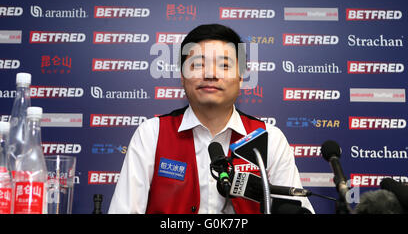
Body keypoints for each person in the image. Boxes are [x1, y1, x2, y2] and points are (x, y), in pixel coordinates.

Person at [108, 24, 314, 214]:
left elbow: (296, 209)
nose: (210, 74)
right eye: (197, 65)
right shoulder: (151, 133)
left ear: (241, 77)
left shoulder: (269, 138)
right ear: (181, 75)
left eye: (224, 66)